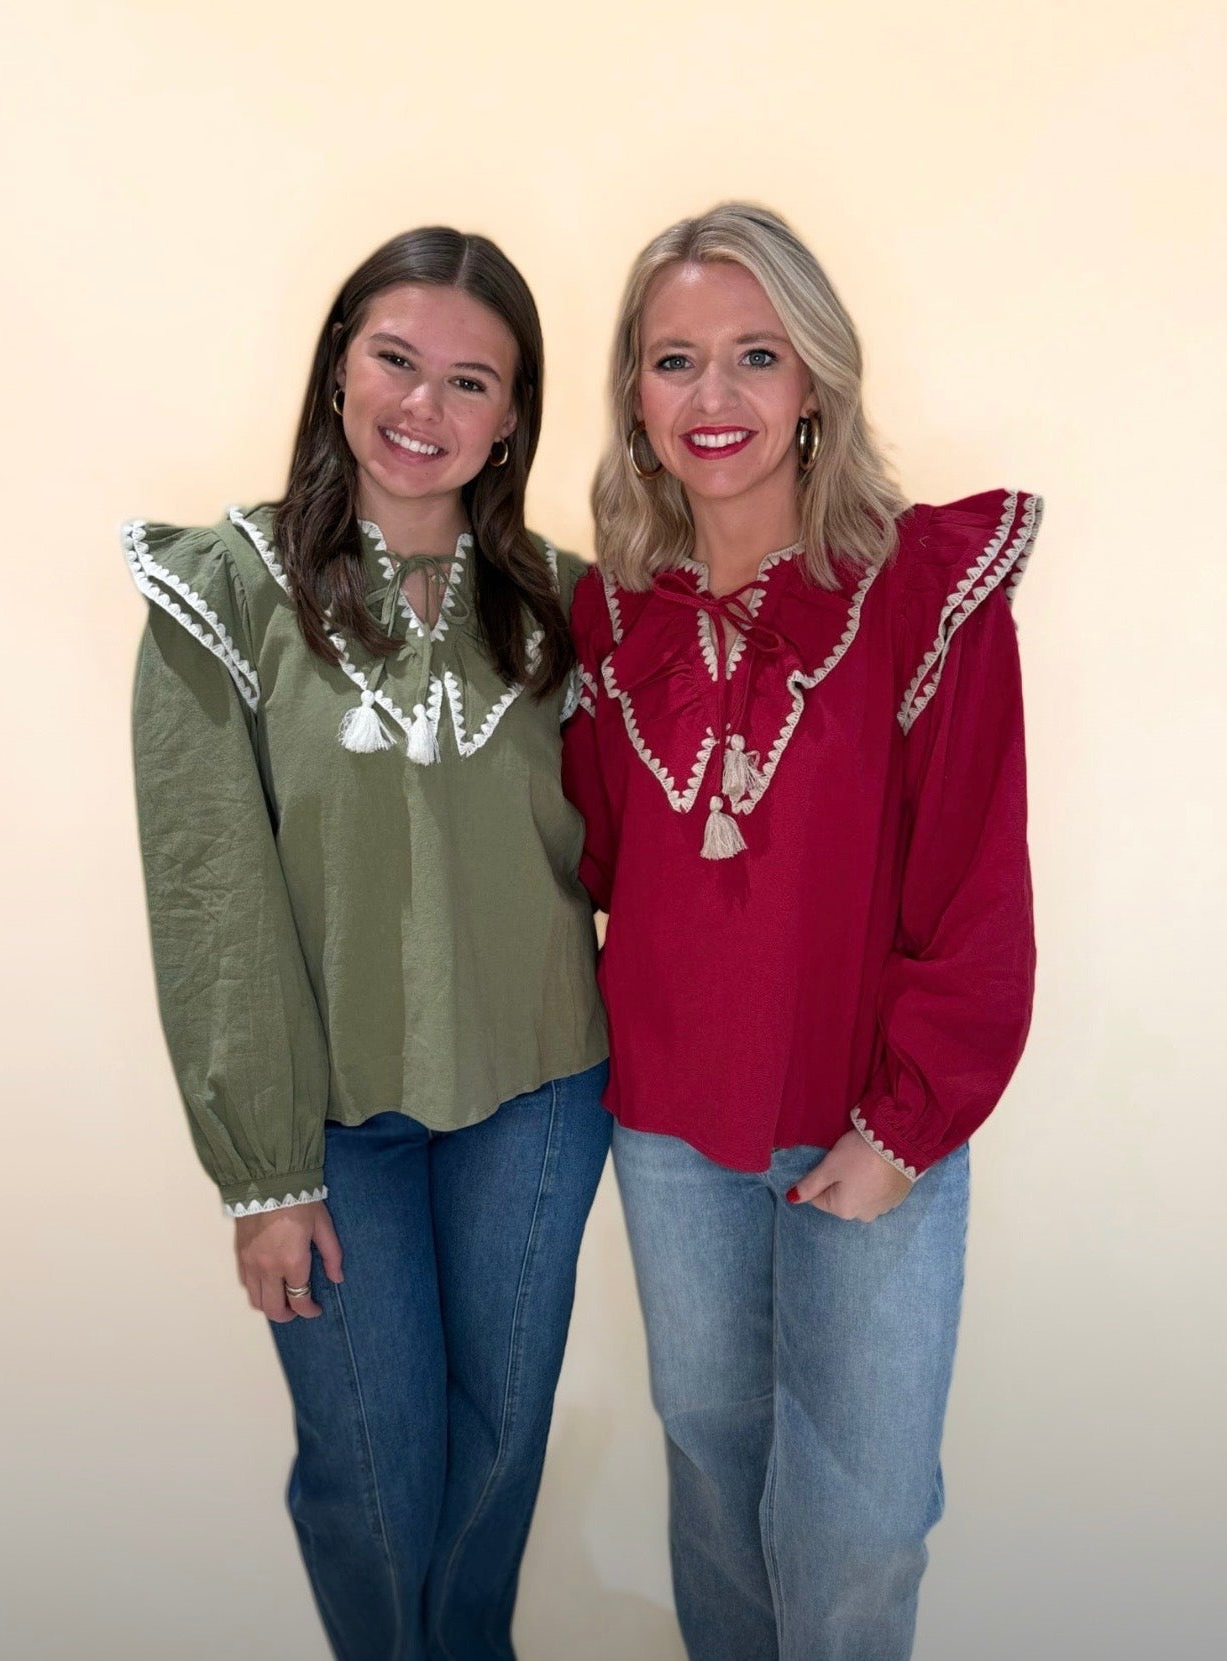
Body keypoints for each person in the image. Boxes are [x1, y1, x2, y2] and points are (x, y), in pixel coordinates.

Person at [124, 226, 610, 1661]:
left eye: (471, 381)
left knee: (499, 1449)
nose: (423, 406)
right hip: (332, 1122)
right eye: (396, 359)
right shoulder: (223, 591)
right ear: (340, 362)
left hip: (537, 1088)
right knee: (374, 1478)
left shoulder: (568, 605)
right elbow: (210, 896)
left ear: (512, 416)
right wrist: (263, 1171)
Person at [562, 202, 1039, 1661]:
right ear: (634, 397)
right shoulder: (608, 620)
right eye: (675, 360)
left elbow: (974, 893)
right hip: (669, 1132)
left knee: (857, 1526)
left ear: (816, 377)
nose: (714, 396)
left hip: (864, 1122)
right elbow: (595, 859)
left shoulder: (921, 592)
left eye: (755, 355)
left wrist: (902, 1129)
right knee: (717, 1487)